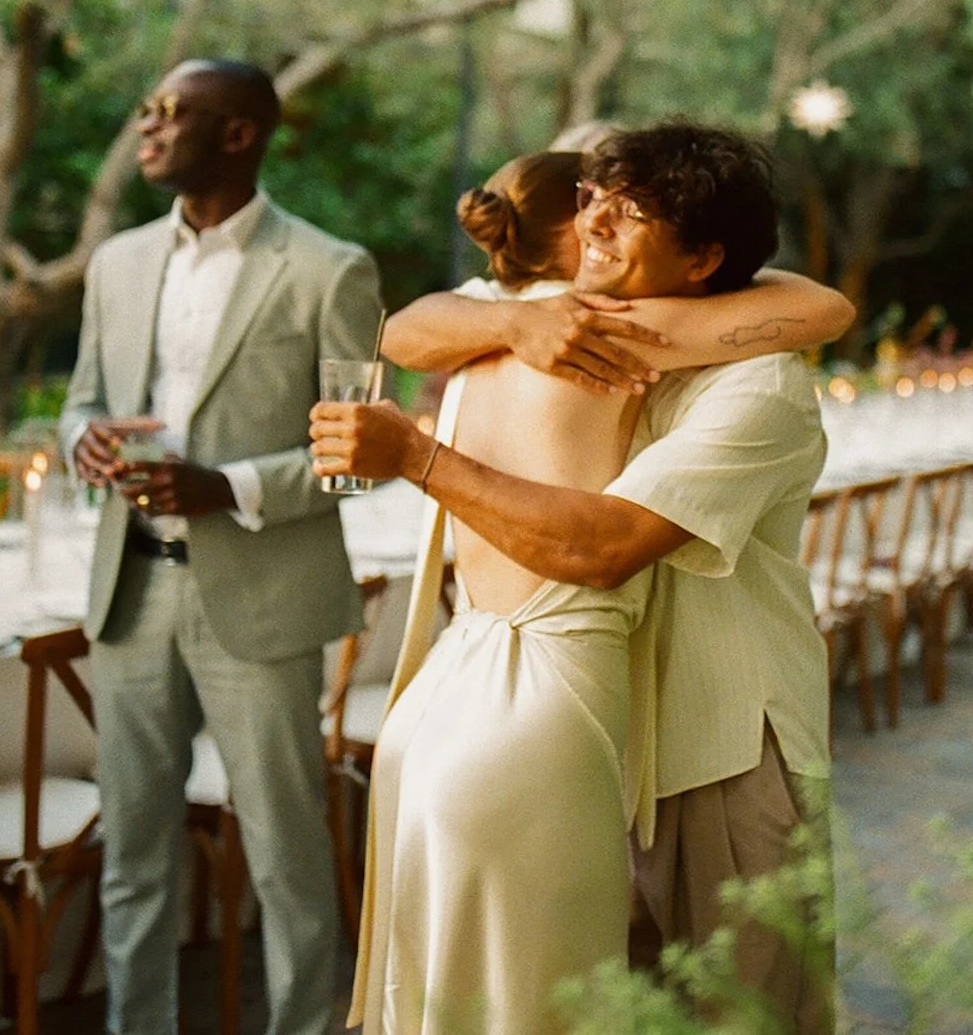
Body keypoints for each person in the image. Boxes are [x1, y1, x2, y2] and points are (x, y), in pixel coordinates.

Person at [313, 122, 841, 1032]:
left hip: (719, 746)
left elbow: (604, 544)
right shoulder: (563, 318)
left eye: (633, 212)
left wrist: (417, 454)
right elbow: (409, 326)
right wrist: (511, 319)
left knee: (745, 1012)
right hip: (593, 727)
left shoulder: (762, 389)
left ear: (708, 256)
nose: (596, 221)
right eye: (595, 197)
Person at [59, 59, 383, 1035]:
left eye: (171, 113)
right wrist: (86, 438)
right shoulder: (114, 264)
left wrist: (227, 487)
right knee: (135, 859)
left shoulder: (332, 268)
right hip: (130, 594)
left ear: (239, 134)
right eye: (148, 107)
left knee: (285, 859)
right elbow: (80, 400)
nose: (148, 127)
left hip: (263, 599)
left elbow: (359, 452)